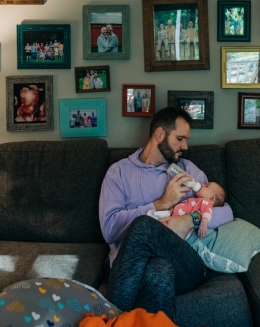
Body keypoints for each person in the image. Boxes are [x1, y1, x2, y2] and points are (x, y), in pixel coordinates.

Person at [99, 108, 234, 318]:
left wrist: (190, 220)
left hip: (184, 263)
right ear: (160, 134)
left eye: (186, 140)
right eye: (180, 138)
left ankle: (112, 317)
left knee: (147, 231)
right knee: (158, 269)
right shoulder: (118, 173)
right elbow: (109, 230)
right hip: (132, 268)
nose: (185, 146)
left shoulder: (187, 171)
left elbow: (226, 212)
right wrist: (161, 203)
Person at [153, 182, 226, 239]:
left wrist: (204, 223)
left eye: (206, 186)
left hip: (178, 226)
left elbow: (207, 213)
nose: (202, 184)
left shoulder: (207, 202)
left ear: (212, 198)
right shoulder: (197, 200)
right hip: (172, 216)